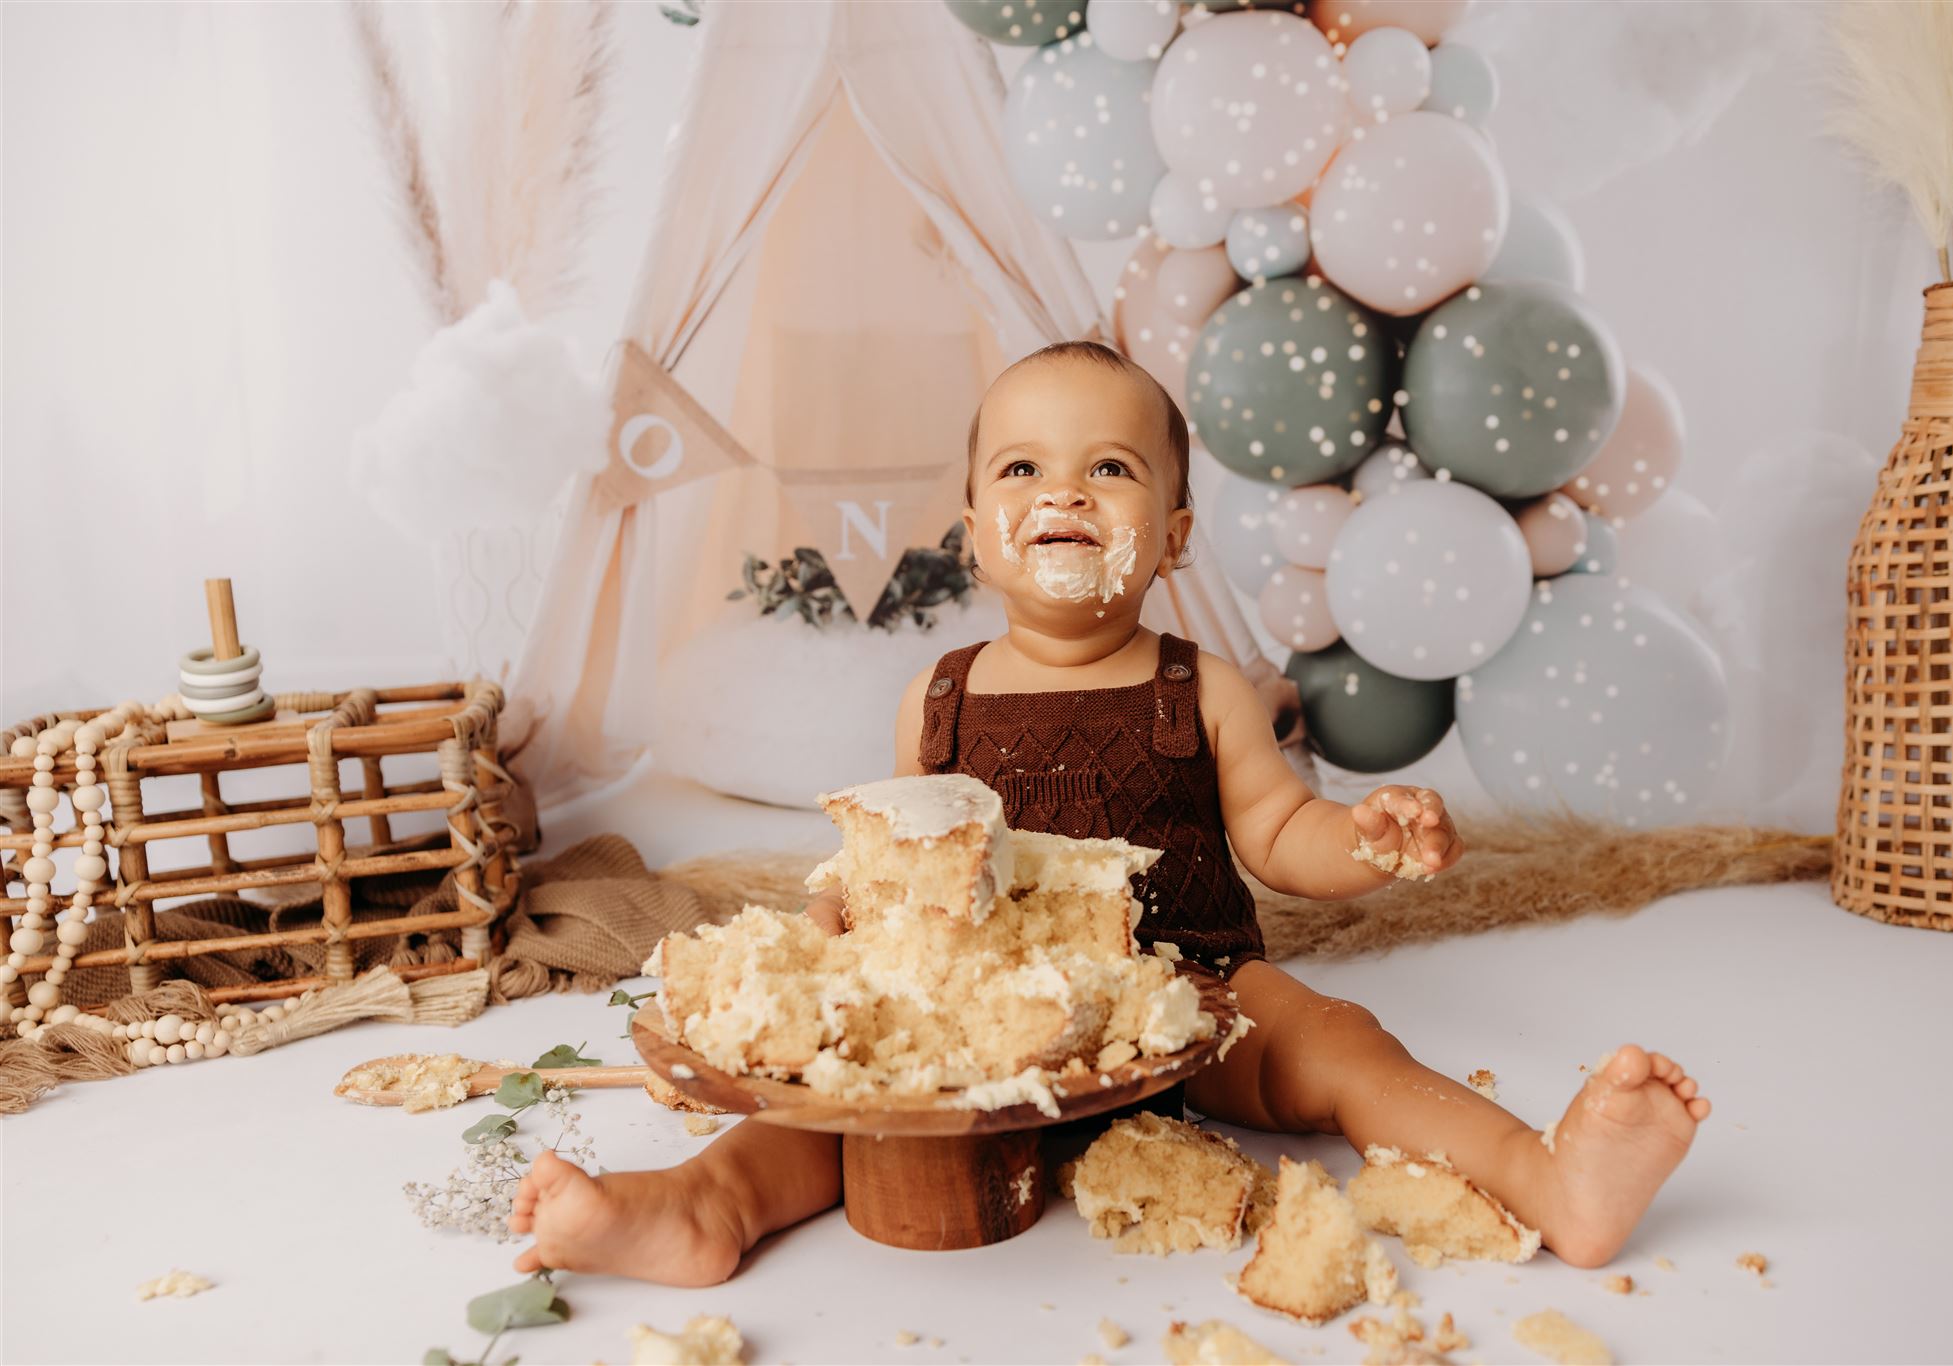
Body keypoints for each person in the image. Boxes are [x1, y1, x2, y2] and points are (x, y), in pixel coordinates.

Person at [509, 340, 1709, 1284]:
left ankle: (1546, 1177)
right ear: (976, 532)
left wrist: (1363, 842)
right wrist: (826, 927)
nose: (1062, 490)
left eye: (1109, 467)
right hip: (979, 1025)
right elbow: (883, 876)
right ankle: (697, 1211)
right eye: (1020, 467)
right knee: (837, 1111)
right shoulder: (937, 698)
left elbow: (1281, 837)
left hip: (1195, 997)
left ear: (1172, 537)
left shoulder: (1202, 685)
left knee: (1343, 1044)